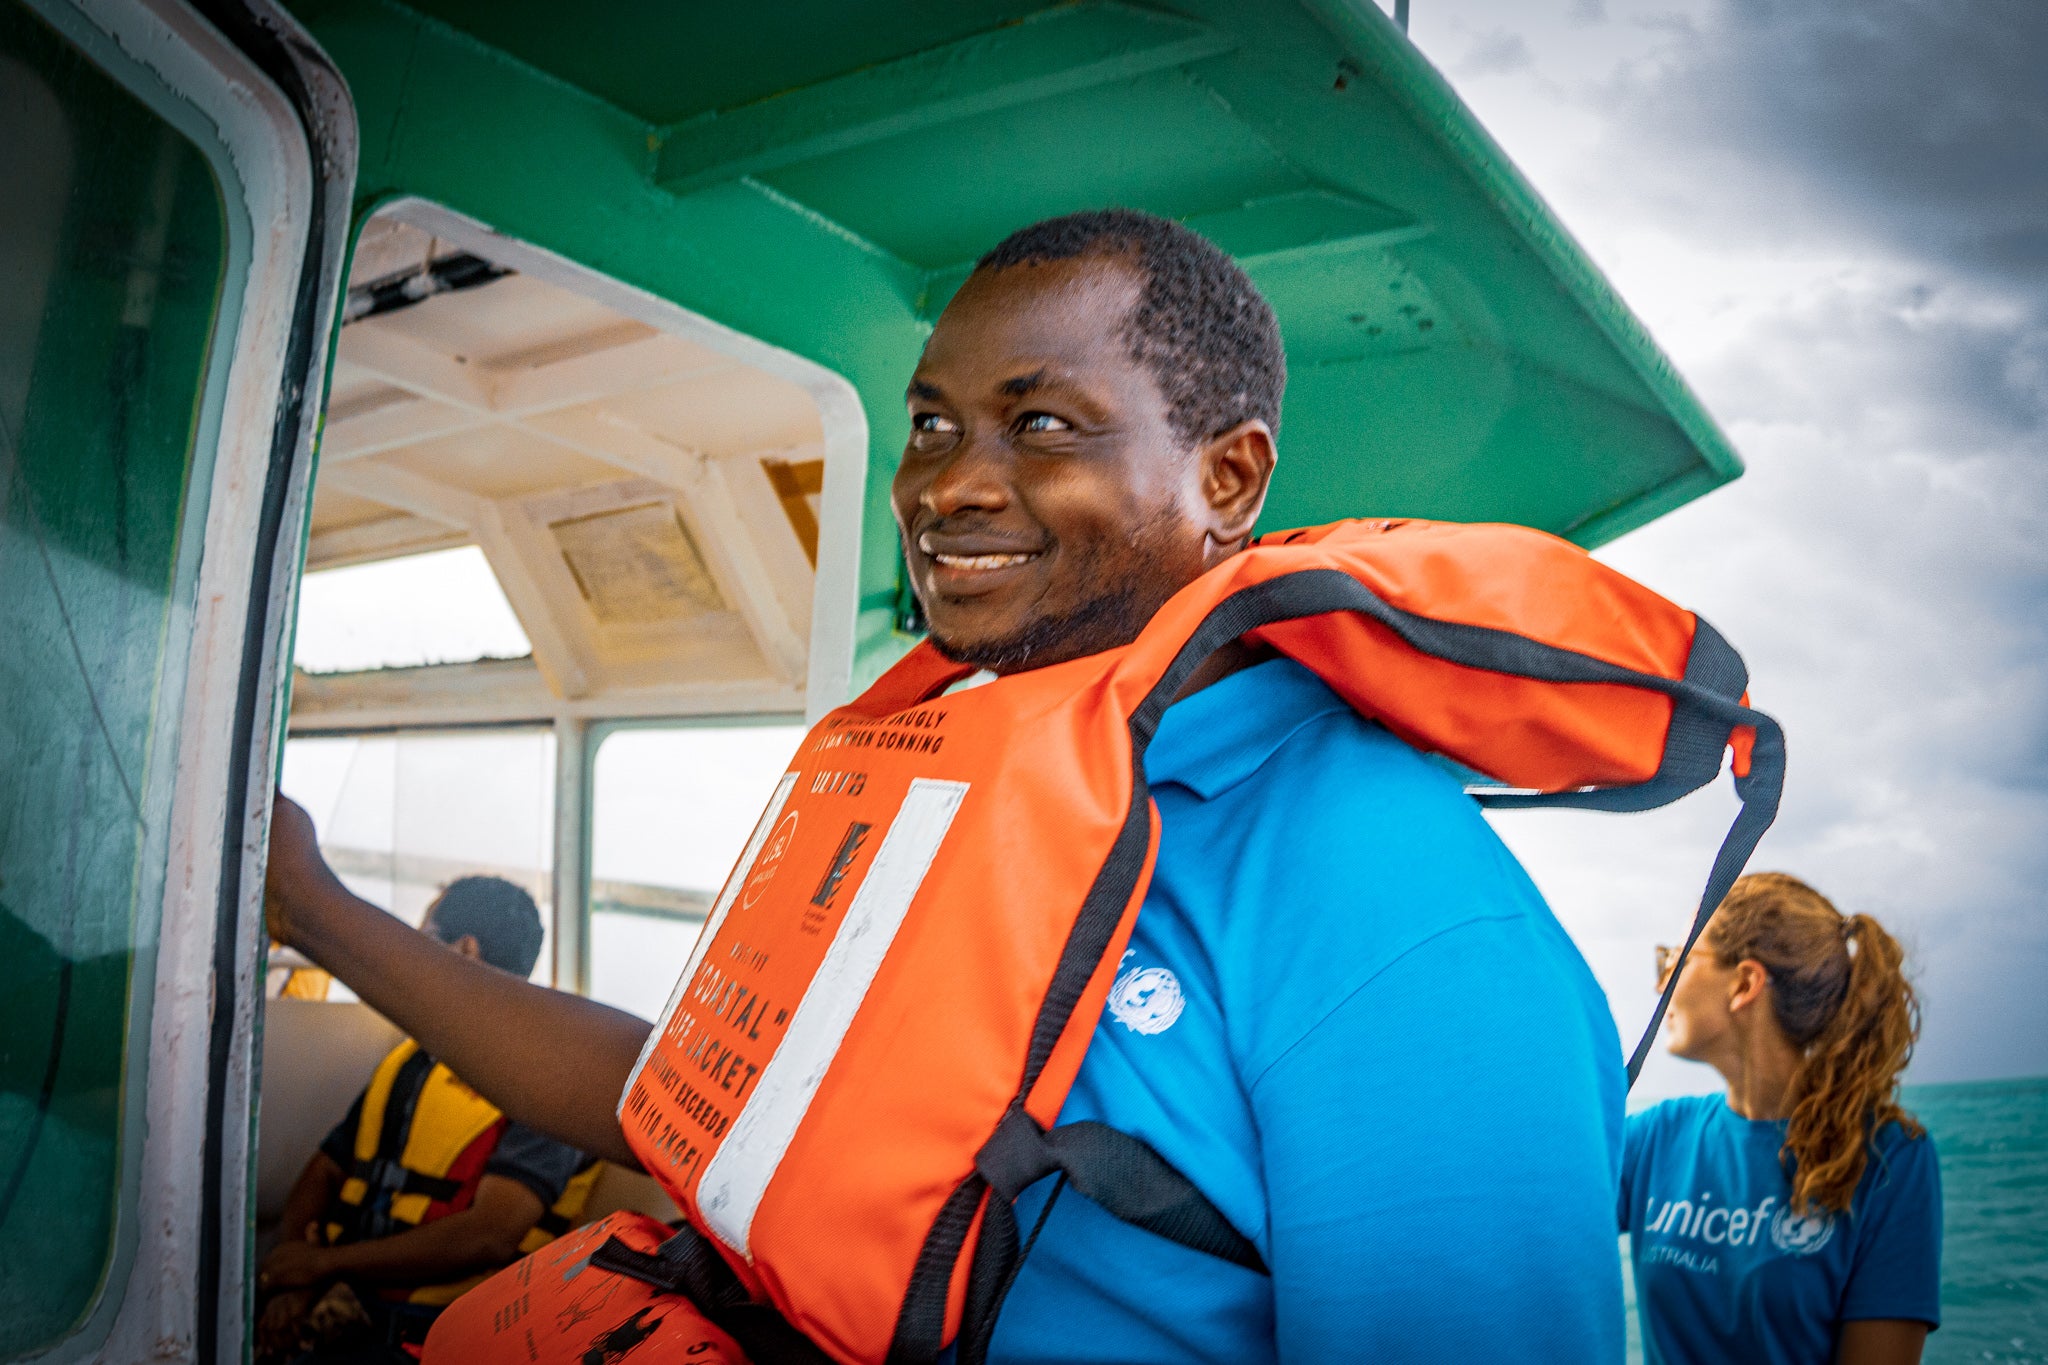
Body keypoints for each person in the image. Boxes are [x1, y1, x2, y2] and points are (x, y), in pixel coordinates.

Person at [266, 208, 1627, 1361]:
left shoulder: (1403, 915)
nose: (947, 485)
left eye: (1040, 423)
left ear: (1227, 477)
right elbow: (677, 1102)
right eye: (931, 424)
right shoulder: (952, 788)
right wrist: (314, 906)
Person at [256, 877, 600, 1363]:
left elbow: (489, 1235)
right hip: (347, 1307)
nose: (411, 960)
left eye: (424, 941)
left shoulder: (549, 1078)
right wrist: (294, 1277)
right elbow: (327, 1168)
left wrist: (322, 1265)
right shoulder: (415, 1061)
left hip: (445, 1335)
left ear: (464, 951)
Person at [1622, 873, 1941, 1365]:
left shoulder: (1889, 1159)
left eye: (1676, 959)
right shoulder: (1655, 1138)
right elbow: (1527, 1209)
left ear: (1744, 983)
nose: (1660, 982)